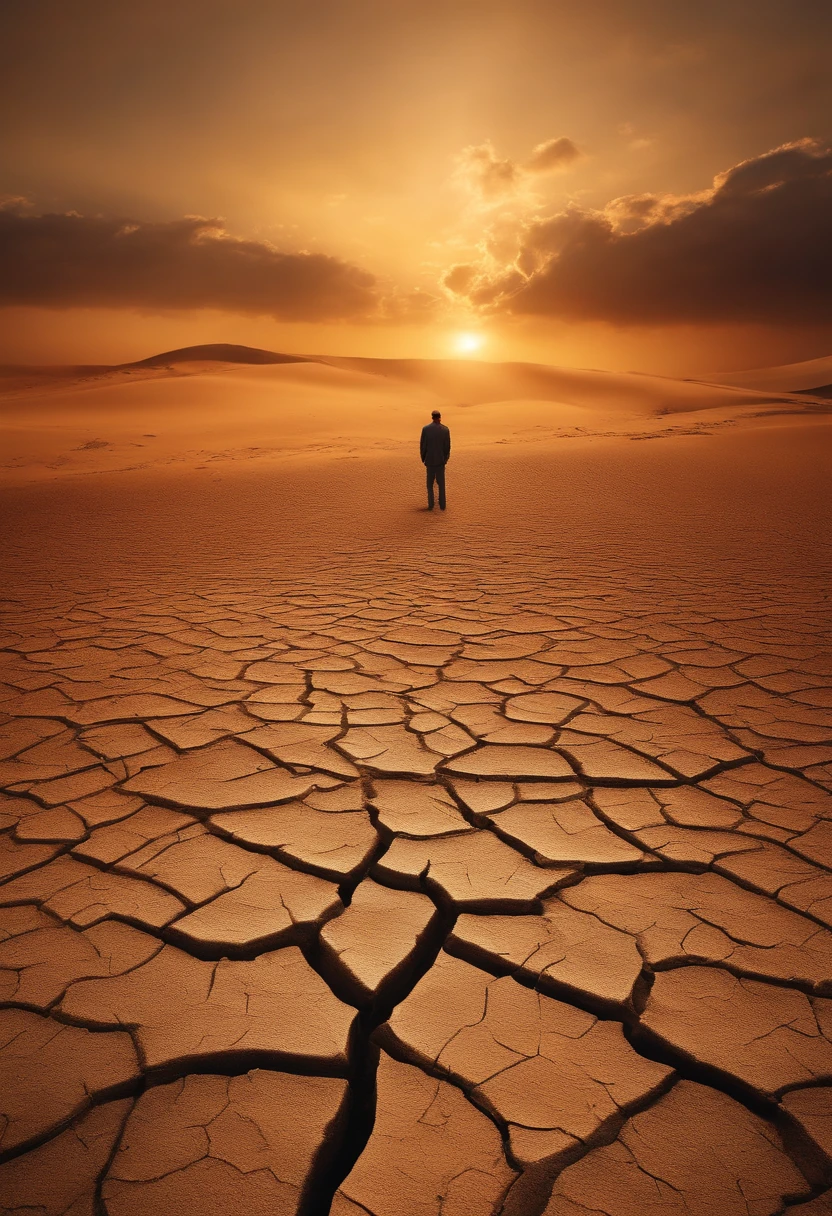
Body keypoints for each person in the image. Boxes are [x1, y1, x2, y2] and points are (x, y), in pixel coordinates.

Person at [420, 409, 451, 511]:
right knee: (441, 484)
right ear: (440, 417)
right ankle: (442, 505)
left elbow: (423, 446)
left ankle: (431, 505)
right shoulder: (445, 430)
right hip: (440, 462)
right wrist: (445, 459)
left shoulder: (426, 429)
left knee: (429, 485)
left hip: (430, 461)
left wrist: (423, 458)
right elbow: (447, 447)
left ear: (432, 417)